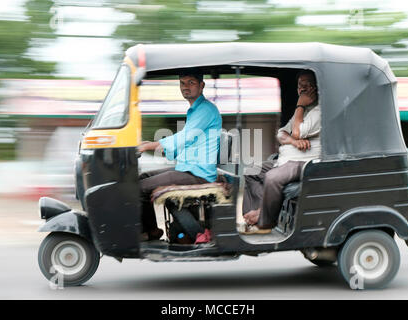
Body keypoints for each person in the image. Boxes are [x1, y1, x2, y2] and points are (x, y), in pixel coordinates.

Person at [137, 69, 222, 240]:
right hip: (188, 168)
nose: (186, 87)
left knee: (138, 188)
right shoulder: (195, 110)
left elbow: (184, 137)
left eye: (191, 82)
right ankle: (152, 230)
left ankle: (152, 232)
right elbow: (185, 143)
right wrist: (149, 145)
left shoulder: (205, 109)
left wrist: (148, 146)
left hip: (199, 173)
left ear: (201, 85)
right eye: (182, 83)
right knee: (141, 177)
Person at [241, 70, 321, 234]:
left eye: (307, 84)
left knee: (273, 178)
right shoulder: (303, 111)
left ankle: (265, 223)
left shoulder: (319, 110)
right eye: (300, 85)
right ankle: (255, 215)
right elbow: (281, 134)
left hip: (304, 161)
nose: (303, 89)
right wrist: (293, 141)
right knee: (251, 171)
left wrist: (300, 104)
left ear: (316, 87)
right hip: (286, 158)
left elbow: (297, 131)